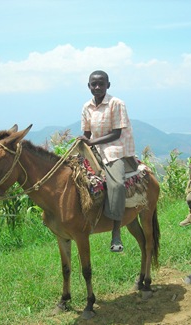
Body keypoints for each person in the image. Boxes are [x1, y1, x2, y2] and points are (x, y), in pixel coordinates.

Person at [78, 70, 137, 252]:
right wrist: (82, 144)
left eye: (101, 84)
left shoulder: (116, 103)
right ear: (88, 86)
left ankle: (116, 231)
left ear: (108, 85)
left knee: (117, 184)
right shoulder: (86, 106)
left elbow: (116, 133)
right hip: (94, 148)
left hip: (115, 149)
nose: (97, 87)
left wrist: (92, 142)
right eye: (93, 84)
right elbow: (87, 133)